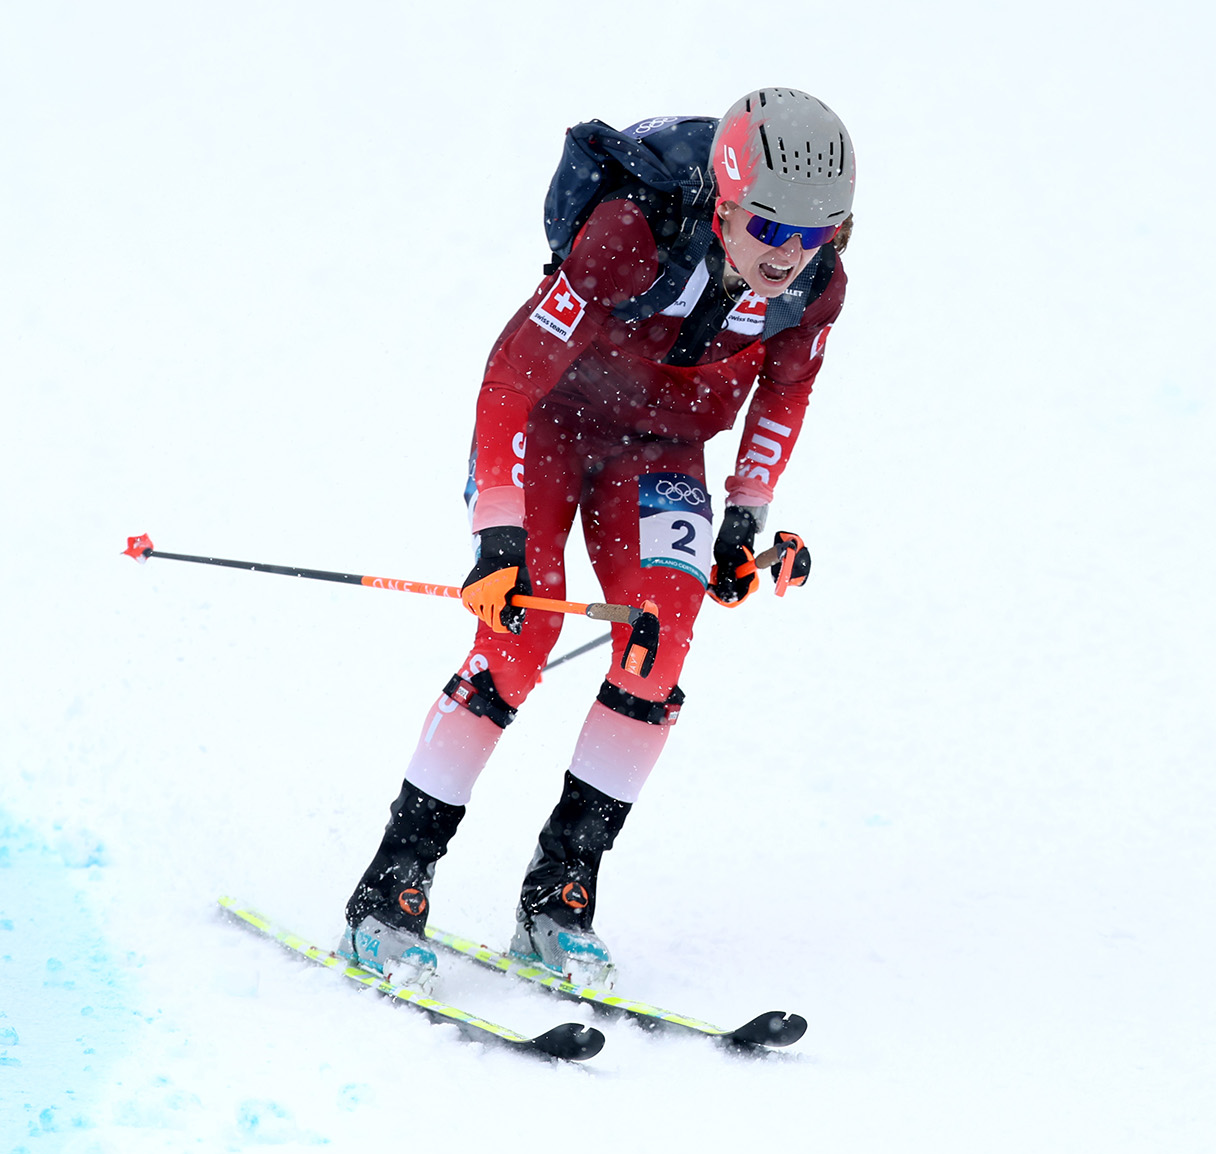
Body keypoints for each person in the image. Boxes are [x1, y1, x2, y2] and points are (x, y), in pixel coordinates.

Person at [341, 87, 855, 989]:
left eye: (818, 236)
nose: (790, 258)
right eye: (771, 230)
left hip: (661, 452)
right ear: (726, 204)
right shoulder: (630, 234)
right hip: (548, 427)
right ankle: (390, 889)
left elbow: (784, 393)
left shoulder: (816, 282)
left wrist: (744, 516)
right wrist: (497, 538)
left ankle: (559, 896)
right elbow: (507, 379)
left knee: (658, 648)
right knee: (519, 637)